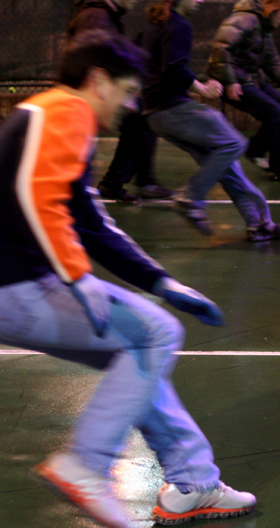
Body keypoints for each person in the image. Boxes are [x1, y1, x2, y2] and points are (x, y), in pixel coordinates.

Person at [0, 30, 256, 528]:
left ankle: (194, 483)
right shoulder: (67, 111)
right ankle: (86, 464)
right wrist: (79, 278)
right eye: (127, 90)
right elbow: (36, 195)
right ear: (98, 80)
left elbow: (90, 223)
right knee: (157, 333)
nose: (132, 103)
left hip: (16, 286)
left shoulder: (48, 115)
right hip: (17, 286)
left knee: (137, 356)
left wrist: (160, 282)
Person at [141, 0, 280, 241]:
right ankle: (190, 197)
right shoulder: (178, 24)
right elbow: (174, 68)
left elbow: (142, 59)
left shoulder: (156, 24)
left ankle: (260, 224)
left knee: (224, 162)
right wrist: (203, 89)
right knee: (235, 143)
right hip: (172, 108)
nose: (200, 0)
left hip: (153, 112)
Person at [68, 0, 173, 204]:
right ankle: (128, 182)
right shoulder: (97, 15)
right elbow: (93, 58)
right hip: (88, 97)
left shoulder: (106, 14)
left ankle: (124, 182)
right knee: (139, 118)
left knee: (141, 118)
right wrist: (116, 92)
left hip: (94, 93)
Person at [207, 0, 280, 183]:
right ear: (275, 12)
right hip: (232, 80)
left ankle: (255, 150)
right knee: (272, 110)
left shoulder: (264, 30)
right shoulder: (245, 20)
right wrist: (230, 81)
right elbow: (221, 47)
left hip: (250, 79)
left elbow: (273, 63)